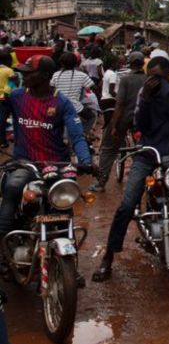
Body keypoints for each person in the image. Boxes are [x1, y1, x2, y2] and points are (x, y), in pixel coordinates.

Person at [92, 56, 169, 283]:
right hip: (148, 155)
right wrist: (146, 98)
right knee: (127, 205)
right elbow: (140, 125)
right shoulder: (145, 96)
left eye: (156, 77)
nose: (152, 81)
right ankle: (108, 256)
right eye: (149, 77)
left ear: (168, 74)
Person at [0, 56, 93, 237]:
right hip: (25, 163)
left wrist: (86, 161)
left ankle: (66, 239)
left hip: (57, 164)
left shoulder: (62, 102)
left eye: (28, 73)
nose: (23, 76)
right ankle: (3, 247)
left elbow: (77, 136)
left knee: (64, 202)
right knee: (11, 188)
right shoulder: (17, 96)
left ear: (44, 75)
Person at [93, 52, 146, 192]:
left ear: (130, 62)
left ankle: (101, 182)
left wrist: (114, 125)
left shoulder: (126, 80)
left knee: (108, 149)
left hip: (124, 118)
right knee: (143, 150)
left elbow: (120, 104)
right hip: (141, 121)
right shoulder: (147, 79)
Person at [51, 51, 97, 136]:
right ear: (76, 63)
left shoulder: (56, 75)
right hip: (75, 107)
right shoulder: (82, 75)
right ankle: (82, 133)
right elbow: (93, 87)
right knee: (92, 117)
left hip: (57, 107)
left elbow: (51, 88)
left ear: (61, 63)